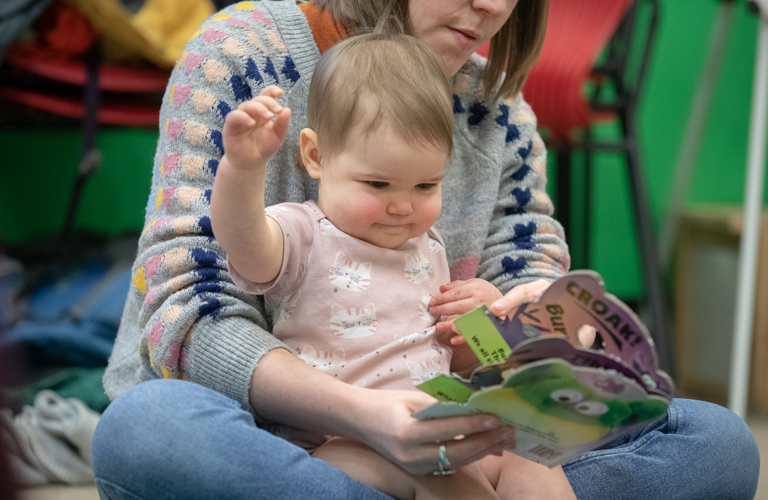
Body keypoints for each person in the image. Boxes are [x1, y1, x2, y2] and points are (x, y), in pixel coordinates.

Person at [93, 1, 760, 499]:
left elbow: (525, 289)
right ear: (315, 152)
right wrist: (366, 417)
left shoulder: (499, 110)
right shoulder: (242, 54)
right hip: (285, 438)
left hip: (455, 431)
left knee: (719, 443)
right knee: (146, 428)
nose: (494, 7)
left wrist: (507, 322)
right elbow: (190, 308)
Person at [210, 32, 575, 499]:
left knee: (533, 458)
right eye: (379, 184)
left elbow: (449, 355)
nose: (403, 206)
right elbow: (242, 242)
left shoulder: (429, 246)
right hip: (340, 444)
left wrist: (489, 325)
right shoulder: (303, 233)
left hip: (440, 420)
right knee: (453, 479)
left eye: (425, 186)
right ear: (316, 156)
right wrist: (242, 169)